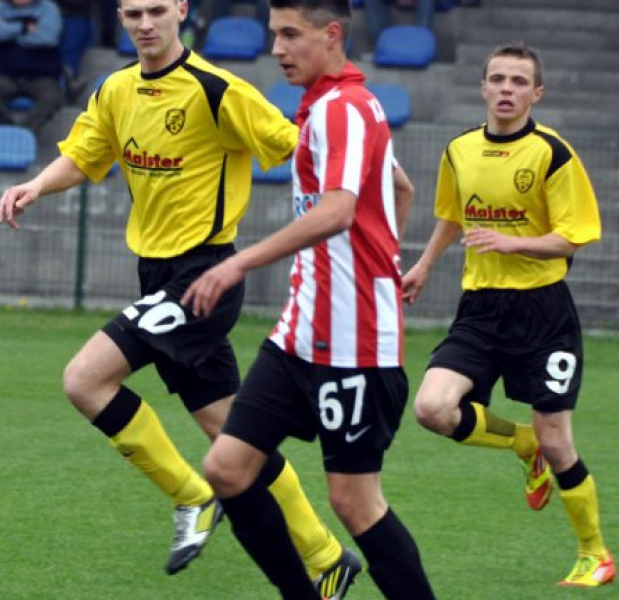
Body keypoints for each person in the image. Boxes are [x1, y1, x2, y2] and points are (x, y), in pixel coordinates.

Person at [0, 0, 361, 595]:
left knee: (85, 380)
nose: (145, 23)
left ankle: (194, 498)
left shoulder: (218, 90)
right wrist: (35, 185)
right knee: (233, 436)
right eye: (133, 12)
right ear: (119, 16)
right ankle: (326, 556)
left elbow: (299, 148)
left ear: (181, 12)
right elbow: (84, 155)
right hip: (157, 276)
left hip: (205, 277)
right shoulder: (115, 89)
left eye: (157, 10)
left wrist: (358, 211)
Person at [183, 1, 434, 598]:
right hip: (299, 337)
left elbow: (338, 210)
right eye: (274, 34)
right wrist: (381, 259)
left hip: (354, 347)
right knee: (227, 468)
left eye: (290, 34)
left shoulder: (344, 108)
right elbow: (399, 187)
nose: (277, 48)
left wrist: (240, 260)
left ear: (331, 34)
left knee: (354, 501)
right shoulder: (332, 106)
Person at [400, 41, 614, 588]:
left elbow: (573, 237)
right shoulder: (459, 149)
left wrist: (513, 243)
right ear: (482, 87)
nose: (506, 90)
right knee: (431, 408)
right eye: (497, 79)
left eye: (519, 82)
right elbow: (453, 215)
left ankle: (595, 553)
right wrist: (424, 264)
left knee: (559, 438)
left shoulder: (552, 153)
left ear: (536, 93)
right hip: (480, 307)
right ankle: (522, 445)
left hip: (543, 313)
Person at [0, 0, 63, 134]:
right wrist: (23, 28)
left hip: (40, 75)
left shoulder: (49, 8)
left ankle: (23, 133)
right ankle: (9, 131)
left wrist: (9, 36)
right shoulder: (0, 9)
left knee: (53, 98)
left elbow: (48, 37)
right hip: (6, 74)